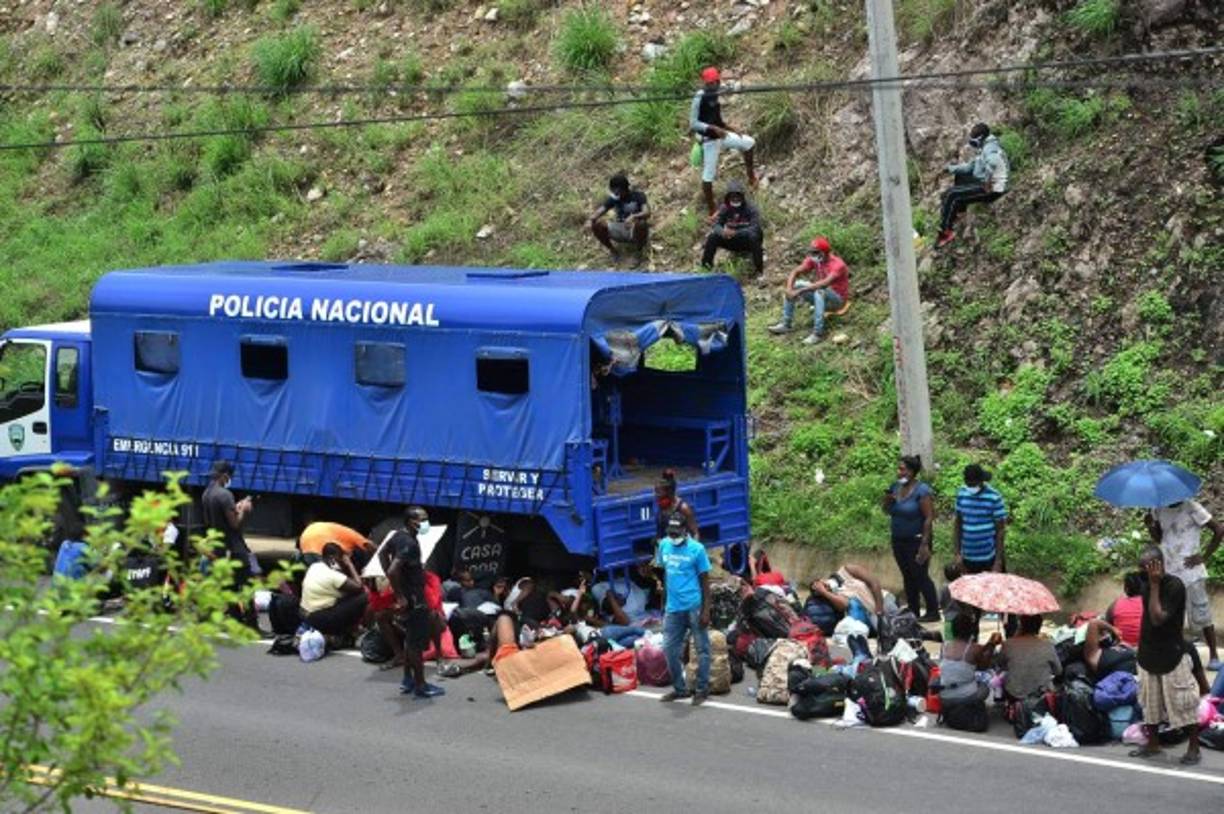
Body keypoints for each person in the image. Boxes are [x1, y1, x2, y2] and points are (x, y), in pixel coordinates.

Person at [1132, 547, 1201, 765]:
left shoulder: (1174, 586)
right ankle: (1153, 743)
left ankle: (1194, 746)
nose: (1142, 572)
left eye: (1146, 567)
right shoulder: (1144, 584)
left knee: (1182, 703)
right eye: (1141, 567)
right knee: (1150, 702)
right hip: (1148, 651)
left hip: (1171, 652)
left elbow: (1158, 618)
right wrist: (1149, 584)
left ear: (1159, 565)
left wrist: (1154, 585)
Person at [1146, 497, 1222, 670]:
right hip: (1169, 572)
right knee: (1172, 616)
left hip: (1191, 573)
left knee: (1202, 613)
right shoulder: (1157, 508)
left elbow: (1218, 530)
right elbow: (1159, 538)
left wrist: (1204, 556)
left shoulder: (1191, 506)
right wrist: (1150, 524)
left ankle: (1214, 656)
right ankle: (1177, 654)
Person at [386, 506, 446, 699]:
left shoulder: (397, 536)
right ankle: (421, 684)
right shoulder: (409, 544)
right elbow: (393, 570)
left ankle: (408, 679)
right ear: (412, 522)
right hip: (414, 599)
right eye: (423, 519)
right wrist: (401, 596)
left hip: (410, 594)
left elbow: (382, 554)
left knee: (411, 638)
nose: (426, 523)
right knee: (415, 644)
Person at [656, 515, 712, 705]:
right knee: (669, 649)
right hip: (673, 608)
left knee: (702, 649)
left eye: (676, 534)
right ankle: (680, 689)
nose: (673, 538)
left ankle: (702, 689)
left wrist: (706, 610)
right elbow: (666, 575)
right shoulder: (664, 545)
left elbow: (705, 582)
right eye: (670, 534)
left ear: (685, 531)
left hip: (694, 606)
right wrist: (663, 603)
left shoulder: (697, 549)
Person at [690, 66, 757, 216]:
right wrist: (712, 128)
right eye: (709, 83)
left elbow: (718, 119)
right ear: (705, 83)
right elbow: (693, 123)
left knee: (749, 143)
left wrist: (732, 128)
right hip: (708, 140)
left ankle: (752, 178)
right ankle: (712, 209)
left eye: (714, 82)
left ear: (718, 81)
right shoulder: (700, 96)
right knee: (708, 176)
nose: (712, 86)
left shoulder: (716, 94)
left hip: (720, 135)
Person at [201, 460, 258, 628]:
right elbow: (235, 525)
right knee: (247, 585)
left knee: (230, 586)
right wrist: (244, 510)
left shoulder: (206, 494)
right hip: (235, 548)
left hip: (219, 548)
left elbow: (210, 522)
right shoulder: (225, 495)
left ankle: (235, 619)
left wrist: (235, 509)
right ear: (225, 476)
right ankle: (252, 624)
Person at [883, 455, 939, 622]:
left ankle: (932, 610)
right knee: (907, 575)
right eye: (898, 469)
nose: (899, 472)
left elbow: (929, 517)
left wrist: (924, 544)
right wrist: (887, 502)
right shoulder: (895, 488)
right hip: (899, 539)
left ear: (912, 472)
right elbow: (887, 510)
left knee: (920, 575)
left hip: (917, 540)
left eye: (902, 469)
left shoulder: (922, 491)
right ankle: (913, 609)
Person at [936, 122, 1009, 247]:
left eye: (974, 140)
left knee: (952, 194)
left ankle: (946, 232)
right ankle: (960, 212)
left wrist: (987, 182)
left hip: (993, 188)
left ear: (980, 138)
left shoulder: (990, 148)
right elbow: (969, 168)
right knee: (959, 177)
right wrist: (949, 169)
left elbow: (993, 162)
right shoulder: (984, 147)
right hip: (985, 182)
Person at [767, 237, 850, 345]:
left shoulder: (838, 265)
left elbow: (824, 283)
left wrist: (799, 292)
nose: (813, 255)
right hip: (822, 297)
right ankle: (786, 324)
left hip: (837, 301)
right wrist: (789, 289)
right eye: (811, 252)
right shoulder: (815, 260)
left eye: (815, 252)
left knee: (819, 291)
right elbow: (795, 271)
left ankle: (818, 333)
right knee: (796, 284)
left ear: (824, 253)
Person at [300, 542, 368, 638]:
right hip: (321, 618)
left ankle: (350, 629)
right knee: (366, 596)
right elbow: (359, 586)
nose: (341, 562)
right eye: (340, 558)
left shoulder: (314, 566)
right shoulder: (332, 575)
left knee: (349, 598)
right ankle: (355, 629)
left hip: (307, 615)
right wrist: (349, 565)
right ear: (332, 558)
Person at [952, 464, 1008, 574]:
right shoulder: (962, 494)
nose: (971, 488)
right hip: (968, 557)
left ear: (981, 481)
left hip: (988, 558)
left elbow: (1000, 531)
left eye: (974, 485)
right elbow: (958, 524)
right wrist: (957, 553)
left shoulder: (994, 497)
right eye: (969, 484)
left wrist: (998, 562)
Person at [700, 181, 764, 276]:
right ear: (728, 197)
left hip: (747, 241)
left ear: (742, 196)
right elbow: (716, 224)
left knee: (753, 236)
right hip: (732, 241)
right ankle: (705, 268)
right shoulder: (725, 208)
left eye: (737, 196)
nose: (735, 199)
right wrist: (723, 232)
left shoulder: (751, 208)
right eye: (732, 196)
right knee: (713, 237)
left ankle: (759, 270)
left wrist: (736, 233)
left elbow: (755, 227)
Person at [589, 173, 650, 264]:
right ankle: (613, 251)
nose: (614, 193)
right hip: (619, 226)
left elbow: (647, 212)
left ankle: (638, 252)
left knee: (641, 224)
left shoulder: (638, 196)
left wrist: (634, 216)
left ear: (622, 189)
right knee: (597, 225)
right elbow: (600, 210)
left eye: (616, 191)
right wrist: (591, 219)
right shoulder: (614, 198)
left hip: (634, 229)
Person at [997, 614, 1060, 700]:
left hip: (1014, 693)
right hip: (1040, 695)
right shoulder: (1048, 645)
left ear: (1021, 625)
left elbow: (1000, 665)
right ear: (1039, 626)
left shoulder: (1008, 644)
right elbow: (1058, 671)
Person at [298, 521, 371, 565]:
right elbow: (372, 547)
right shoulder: (356, 536)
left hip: (306, 540)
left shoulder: (343, 533)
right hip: (316, 544)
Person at [655, 469, 699, 541]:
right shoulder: (662, 506)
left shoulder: (683, 508)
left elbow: (695, 534)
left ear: (669, 493)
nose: (656, 496)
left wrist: (693, 550)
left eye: (659, 493)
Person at [1104, 572, 1144, 648]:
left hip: (1122, 648)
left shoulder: (1115, 605)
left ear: (1126, 589)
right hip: (1145, 648)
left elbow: (1107, 626)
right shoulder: (1149, 604)